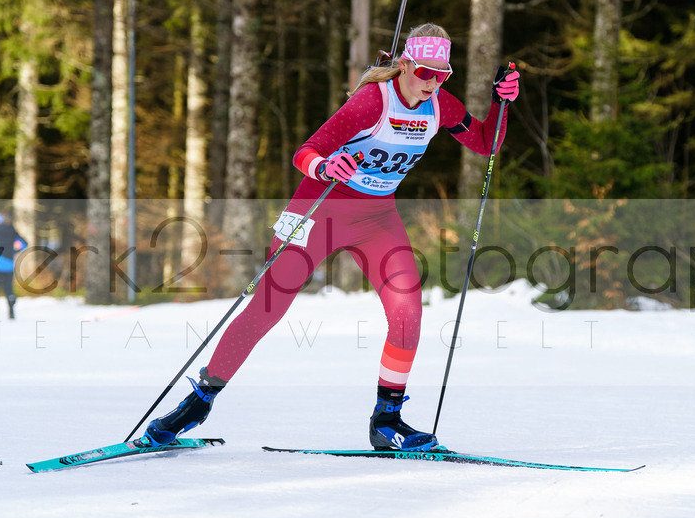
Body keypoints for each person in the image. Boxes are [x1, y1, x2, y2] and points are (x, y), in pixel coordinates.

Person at [147, 23, 521, 451]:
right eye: (423, 73)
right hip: (318, 210)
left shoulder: (439, 104)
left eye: (442, 75)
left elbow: (485, 143)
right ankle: (197, 403)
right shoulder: (371, 102)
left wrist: (500, 103)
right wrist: (325, 167)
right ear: (404, 65)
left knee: (408, 312)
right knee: (266, 308)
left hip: (377, 217)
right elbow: (306, 151)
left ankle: (387, 420)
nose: (432, 83)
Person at [0, 212, 27, 320]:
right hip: (9, 266)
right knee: (8, 289)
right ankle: (11, 312)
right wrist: (15, 250)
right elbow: (24, 244)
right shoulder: (13, 232)